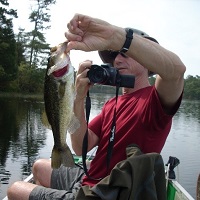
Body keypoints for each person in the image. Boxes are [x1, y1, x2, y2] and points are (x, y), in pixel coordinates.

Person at [7, 13, 186, 200]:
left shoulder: (155, 101)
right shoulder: (112, 104)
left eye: (125, 53)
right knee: (38, 166)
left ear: (147, 60)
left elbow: (176, 71)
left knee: (15, 190)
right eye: (114, 55)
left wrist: (116, 37)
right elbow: (79, 147)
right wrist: (78, 97)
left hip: (112, 193)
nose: (116, 60)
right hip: (92, 179)